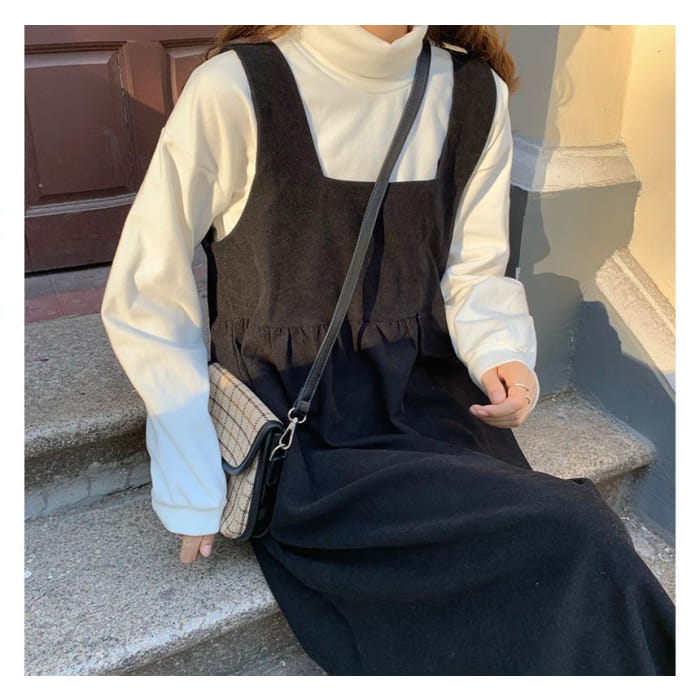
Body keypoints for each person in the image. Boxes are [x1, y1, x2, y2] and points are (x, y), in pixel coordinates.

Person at [101, 25, 675, 675]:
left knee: (556, 551)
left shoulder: (474, 92)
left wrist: (502, 355)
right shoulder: (236, 88)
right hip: (302, 422)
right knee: (574, 533)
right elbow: (149, 290)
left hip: (430, 397)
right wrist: (190, 477)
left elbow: (474, 269)